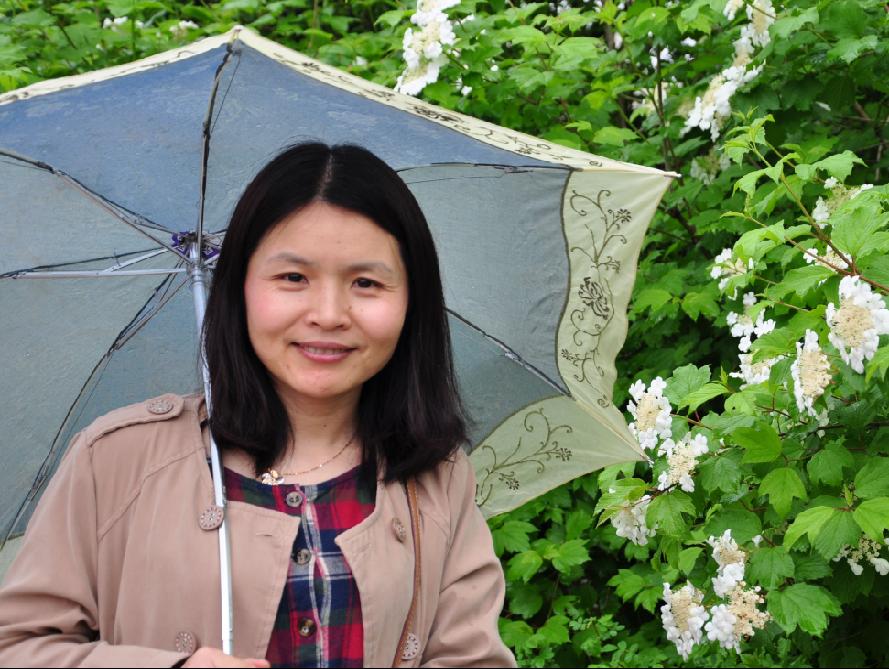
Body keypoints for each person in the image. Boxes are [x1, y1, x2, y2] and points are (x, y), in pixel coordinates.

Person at [0, 143, 516, 668]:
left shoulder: (437, 477)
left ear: (411, 301)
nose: (329, 314)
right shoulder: (116, 459)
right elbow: (15, 647)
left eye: (366, 283)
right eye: (293, 278)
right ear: (240, 286)